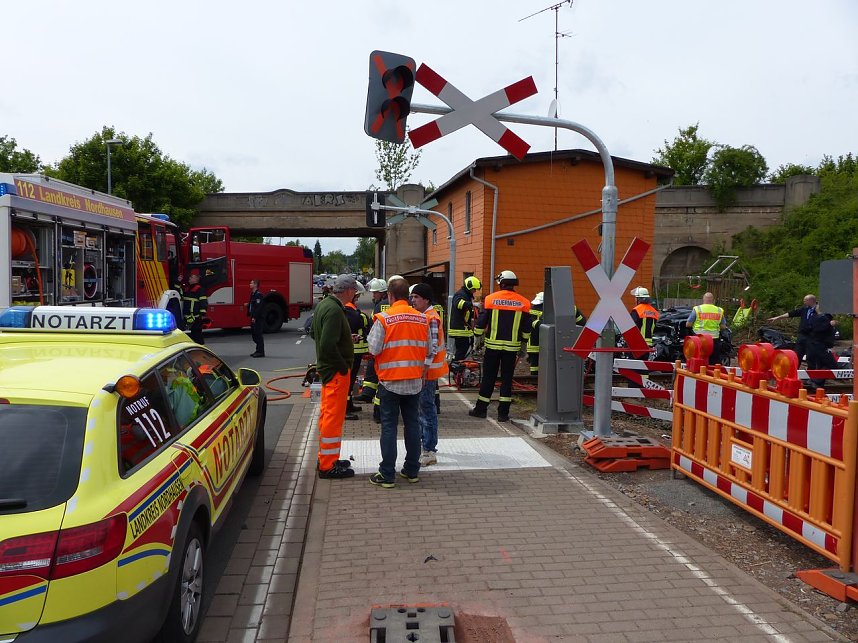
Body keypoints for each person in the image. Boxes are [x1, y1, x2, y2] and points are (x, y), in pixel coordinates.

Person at [367, 276, 431, 488]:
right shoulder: (422, 319)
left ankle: (387, 474)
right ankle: (411, 470)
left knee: (389, 427)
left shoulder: (384, 318)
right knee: (412, 425)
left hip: (390, 382)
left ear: (390, 296)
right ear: (408, 296)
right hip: (414, 382)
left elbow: (374, 349)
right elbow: (429, 351)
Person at [310, 274, 357, 480]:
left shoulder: (324, 305)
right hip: (336, 372)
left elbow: (314, 333)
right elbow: (327, 345)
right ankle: (328, 465)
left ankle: (327, 458)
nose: (355, 295)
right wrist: (343, 366)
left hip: (328, 370)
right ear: (347, 290)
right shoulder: (335, 311)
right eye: (354, 291)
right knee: (333, 418)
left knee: (327, 415)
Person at [469, 270, 532, 422]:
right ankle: (503, 414)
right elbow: (526, 328)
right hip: (511, 349)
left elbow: (481, 323)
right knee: (507, 380)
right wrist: (523, 346)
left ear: (502, 283)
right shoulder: (524, 302)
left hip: (492, 347)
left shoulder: (491, 299)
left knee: (489, 378)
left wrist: (477, 339)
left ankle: (481, 409)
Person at [409, 282, 447, 466]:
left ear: (426, 299)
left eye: (416, 297)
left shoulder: (430, 318)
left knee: (426, 411)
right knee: (424, 410)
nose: (413, 300)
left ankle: (429, 450)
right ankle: (427, 447)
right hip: (427, 371)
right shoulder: (426, 315)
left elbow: (430, 348)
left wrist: (423, 370)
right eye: (412, 297)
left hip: (428, 372)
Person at [355, 278, 389, 424]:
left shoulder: (380, 306)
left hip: (382, 345)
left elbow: (375, 326)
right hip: (391, 346)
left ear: (382, 292)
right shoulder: (387, 304)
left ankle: (369, 396)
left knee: (376, 371)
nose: (373, 295)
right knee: (374, 371)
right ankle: (368, 393)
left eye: (375, 293)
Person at [527, 292, 586, 375]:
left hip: (535, 344)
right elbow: (582, 323)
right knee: (556, 367)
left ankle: (536, 383)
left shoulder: (532, 309)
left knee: (535, 368)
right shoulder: (571, 308)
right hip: (560, 344)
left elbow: (530, 324)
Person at [768, 294, 822, 364]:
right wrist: (777, 317)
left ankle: (810, 372)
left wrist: (818, 312)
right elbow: (791, 313)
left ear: (811, 301)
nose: (804, 302)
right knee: (797, 354)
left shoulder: (819, 309)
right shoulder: (804, 309)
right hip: (802, 335)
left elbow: (824, 319)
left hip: (812, 336)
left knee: (811, 356)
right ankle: (795, 370)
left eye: (805, 301)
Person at [343, 280, 370, 420]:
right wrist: (363, 317)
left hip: (357, 351)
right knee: (348, 380)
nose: (358, 299)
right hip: (352, 350)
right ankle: (345, 409)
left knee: (352, 379)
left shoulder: (352, 308)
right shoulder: (348, 308)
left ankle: (349, 404)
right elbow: (357, 322)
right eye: (357, 296)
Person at [686, 291, 727, 365]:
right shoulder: (719, 310)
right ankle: (713, 375)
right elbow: (723, 326)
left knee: (697, 357)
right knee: (714, 360)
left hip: (699, 339)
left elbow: (688, 324)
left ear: (703, 299)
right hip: (714, 339)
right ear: (713, 300)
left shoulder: (697, 309)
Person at [804, 308, 839, 390]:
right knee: (832, 365)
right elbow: (817, 329)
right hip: (819, 346)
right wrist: (829, 324)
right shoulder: (819, 318)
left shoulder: (825, 317)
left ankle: (817, 384)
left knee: (822, 365)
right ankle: (815, 380)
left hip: (821, 346)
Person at [449, 276, 482, 361]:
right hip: (459, 329)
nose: (474, 291)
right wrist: (473, 305)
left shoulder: (465, 295)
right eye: (474, 289)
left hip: (463, 328)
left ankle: (459, 367)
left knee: (464, 348)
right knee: (462, 350)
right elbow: (459, 304)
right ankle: (457, 368)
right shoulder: (460, 294)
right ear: (469, 287)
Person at [181, 272, 208, 345]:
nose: (189, 278)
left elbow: (203, 301)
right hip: (189, 316)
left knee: (197, 334)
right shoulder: (188, 288)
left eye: (191, 277)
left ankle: (201, 348)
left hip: (196, 316)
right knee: (193, 334)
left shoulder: (199, 289)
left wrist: (202, 314)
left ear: (196, 279)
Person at [248, 279, 265, 357]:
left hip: (258, 318)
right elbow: (253, 305)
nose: (250, 284)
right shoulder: (253, 294)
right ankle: (257, 350)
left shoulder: (259, 295)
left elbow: (259, 307)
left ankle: (260, 352)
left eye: (251, 283)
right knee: (254, 334)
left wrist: (254, 317)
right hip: (253, 316)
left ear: (255, 285)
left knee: (258, 334)